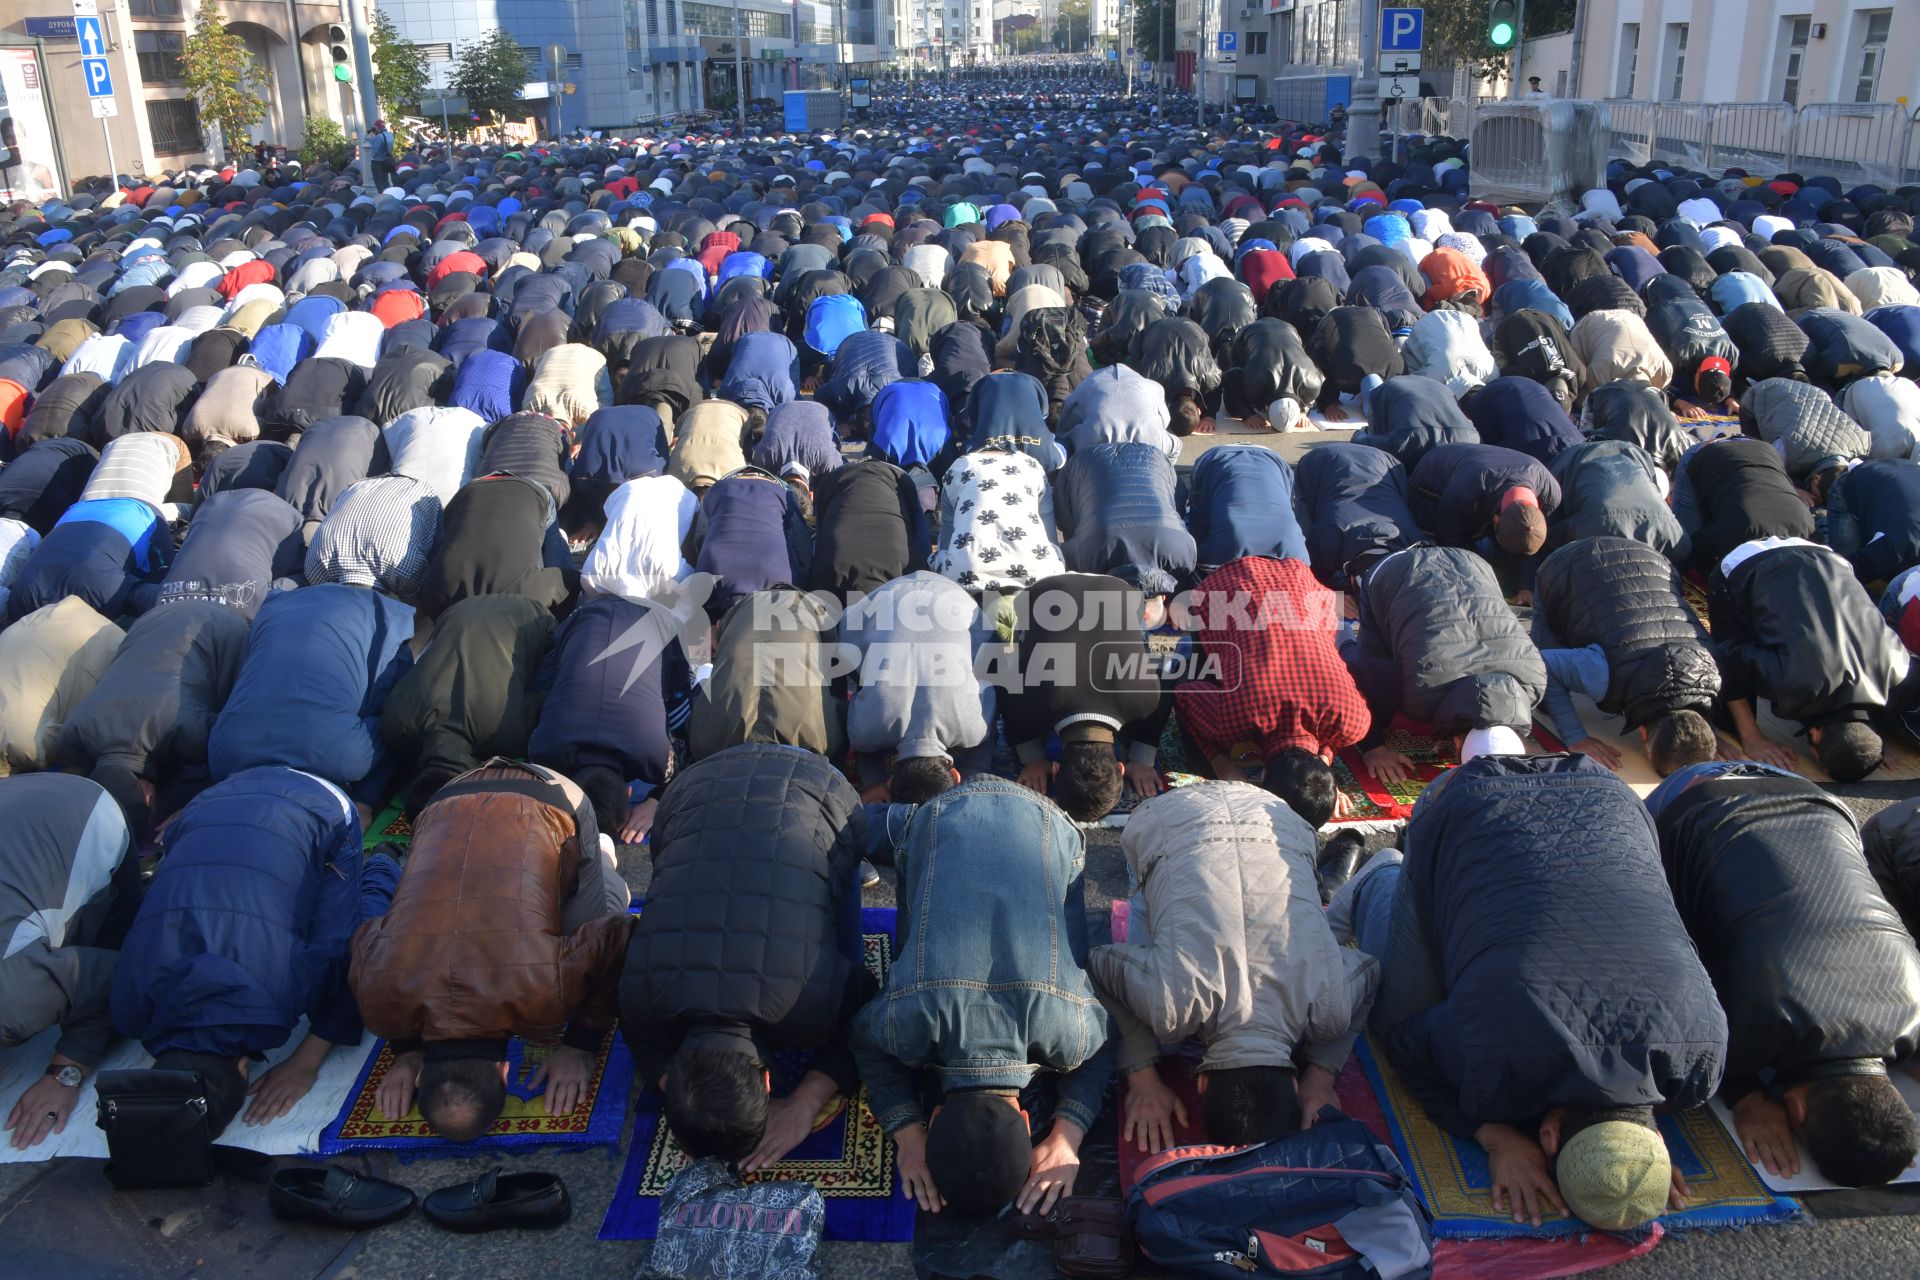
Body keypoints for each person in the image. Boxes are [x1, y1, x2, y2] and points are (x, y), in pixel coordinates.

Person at [1328, 752, 1727, 1230]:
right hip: (1463, 803)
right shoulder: (1495, 1046)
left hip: (1607, 790)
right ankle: (1382, 876)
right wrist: (1494, 1137)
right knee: (1394, 1012)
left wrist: (1632, 1168)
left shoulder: (1704, 1057)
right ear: (1550, 1136)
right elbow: (1409, 1046)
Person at [1650, 762, 1920, 1186]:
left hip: (1817, 799)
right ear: (1794, 1110)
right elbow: (1706, 1046)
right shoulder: (1745, 1024)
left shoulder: (1914, 1007)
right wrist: (1746, 1097)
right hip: (1695, 799)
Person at [851, 778, 1112, 1217]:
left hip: (1051, 824)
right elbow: (864, 1038)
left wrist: (1069, 1134)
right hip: (941, 817)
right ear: (933, 1118)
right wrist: (907, 1134)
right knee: (849, 826)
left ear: (1029, 1124)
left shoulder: (1067, 1029)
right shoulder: (910, 1023)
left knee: (1073, 950)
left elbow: (1104, 1044)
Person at [619, 744, 876, 1172]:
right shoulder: (642, 997)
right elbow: (639, 1035)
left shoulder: (811, 1002)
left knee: (838, 934)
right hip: (691, 788)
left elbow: (870, 1010)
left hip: (822, 790)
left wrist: (806, 1101)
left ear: (768, 1080)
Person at [349, 761, 633, 1140]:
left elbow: (620, 933)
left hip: (552, 798)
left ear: (505, 1071)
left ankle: (600, 852)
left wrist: (582, 1044)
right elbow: (365, 935)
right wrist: (401, 1042)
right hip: (447, 797)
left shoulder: (545, 992)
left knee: (594, 918)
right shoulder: (377, 998)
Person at [111, 767, 399, 1137]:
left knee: (348, 928)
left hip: (318, 804)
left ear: (244, 1070)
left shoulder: (281, 992)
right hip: (211, 802)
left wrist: (305, 1061)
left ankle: (384, 863)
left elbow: (355, 951)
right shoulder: (129, 1005)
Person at [1090, 782, 1376, 1151]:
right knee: (1165, 1042)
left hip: (1275, 814)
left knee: (1167, 1039)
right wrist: (1141, 1073)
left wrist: (1321, 1076)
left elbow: (1368, 970)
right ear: (1202, 1083)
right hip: (1170, 818)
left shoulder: (1328, 1002)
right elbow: (1100, 963)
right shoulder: (1173, 1004)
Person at [0, 775, 138, 1150]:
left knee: (127, 938)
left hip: (84, 811)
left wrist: (65, 1072)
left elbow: (119, 974)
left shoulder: (13, 1000)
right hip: (17, 801)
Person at [1708, 535, 1917, 779]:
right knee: (1733, 669)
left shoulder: (1900, 670)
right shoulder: (1785, 680)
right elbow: (1729, 654)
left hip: (1827, 557)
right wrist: (1751, 737)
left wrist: (1866, 741)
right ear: (1815, 734)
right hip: (1744, 563)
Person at [1343, 544, 1546, 783]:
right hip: (1394, 572)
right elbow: (1354, 677)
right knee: (1370, 663)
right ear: (1457, 743)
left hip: (1471, 562)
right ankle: (1341, 634)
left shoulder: (1534, 681)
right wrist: (1373, 747)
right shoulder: (1419, 683)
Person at [1531, 536, 1720, 774]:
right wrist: (1576, 737)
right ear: (1642, 734)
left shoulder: (1711, 670)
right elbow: (1544, 664)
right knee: (1541, 692)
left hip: (1651, 558)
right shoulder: (1605, 673)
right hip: (1566, 564)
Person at [1175, 555, 1368, 787]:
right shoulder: (1237, 719)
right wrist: (1221, 765)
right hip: (1224, 586)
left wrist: (1322, 769)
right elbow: (1185, 695)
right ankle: (1187, 650)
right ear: (1264, 776)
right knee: (1198, 755)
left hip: (1299, 579)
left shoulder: (1352, 721)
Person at [207, 582, 415, 794]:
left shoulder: (273, 608)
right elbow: (394, 714)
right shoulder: (389, 618)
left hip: (230, 748)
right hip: (332, 753)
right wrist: (366, 800)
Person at [1003, 572, 1172, 820]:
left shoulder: (1145, 700)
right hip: (1047, 589)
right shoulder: (1028, 705)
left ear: (1121, 767)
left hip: (1116, 588)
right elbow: (1005, 683)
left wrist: (1142, 757)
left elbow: (1166, 675)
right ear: (1056, 768)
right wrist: (1033, 758)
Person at [380, 594, 557, 817]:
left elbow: (546, 698)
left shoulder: (507, 736)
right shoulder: (397, 724)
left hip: (533, 615)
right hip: (457, 612)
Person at [842, 571, 996, 803]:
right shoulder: (868, 730)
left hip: (941, 599)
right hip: (891, 600)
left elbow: (864, 745)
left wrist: (873, 781)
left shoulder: (972, 728)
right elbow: (863, 743)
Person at [1406, 441, 1560, 598]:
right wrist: (1470, 584)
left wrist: (1526, 587)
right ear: (1496, 520)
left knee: (1497, 555)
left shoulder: (1550, 494)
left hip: (1482, 481)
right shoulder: (1467, 488)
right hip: (1433, 481)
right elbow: (1450, 539)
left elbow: (1527, 536)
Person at [1053, 440, 1196, 599]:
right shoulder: (1086, 555)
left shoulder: (1183, 552)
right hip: (1086, 463)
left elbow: (1177, 500)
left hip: (1152, 459)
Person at [1671, 435, 1816, 577]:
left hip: (1763, 450)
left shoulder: (1808, 527)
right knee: (1684, 546)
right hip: (1706, 454)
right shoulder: (1735, 530)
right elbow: (1694, 548)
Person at [1292, 442, 1419, 591]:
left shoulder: (1414, 542)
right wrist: (1339, 599)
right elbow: (1312, 586)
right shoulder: (1325, 542)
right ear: (1351, 579)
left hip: (1382, 460)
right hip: (1322, 460)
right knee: (1300, 514)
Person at [1182, 445, 1310, 576]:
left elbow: (1198, 525)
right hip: (1221, 460)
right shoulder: (1298, 559)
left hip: (1267, 460)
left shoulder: (1298, 557)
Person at [1820, 458, 1920, 586]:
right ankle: (1819, 524)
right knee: (1845, 571)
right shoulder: (1895, 549)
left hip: (1904, 470)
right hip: (1857, 480)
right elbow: (1847, 570)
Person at [365, 119, 395, 190]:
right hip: (386, 160)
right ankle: (388, 195)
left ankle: (382, 196)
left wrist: (372, 139)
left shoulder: (379, 137)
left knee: (379, 183)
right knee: (386, 181)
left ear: (377, 127)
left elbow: (375, 151)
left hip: (377, 162)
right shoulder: (390, 134)